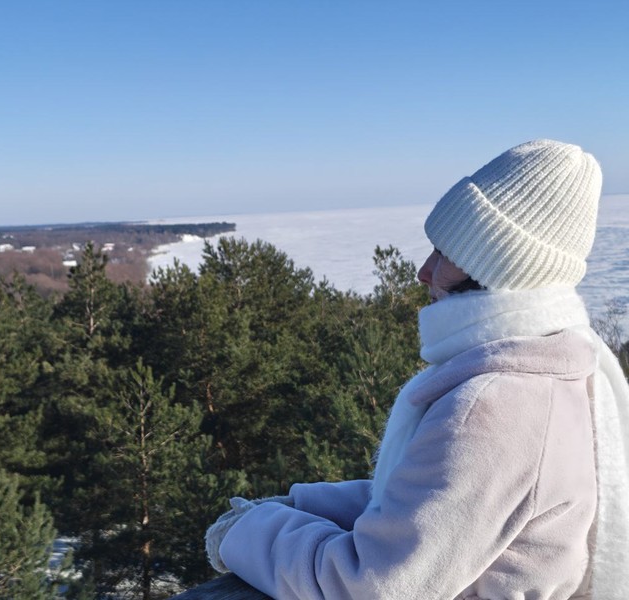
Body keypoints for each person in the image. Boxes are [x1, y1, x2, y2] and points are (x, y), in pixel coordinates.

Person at [205, 139, 629, 599]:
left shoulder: (497, 403)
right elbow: (435, 503)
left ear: (495, 268)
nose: (424, 272)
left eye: (445, 254)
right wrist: (299, 505)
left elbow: (369, 586)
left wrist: (245, 532)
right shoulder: (559, 367)